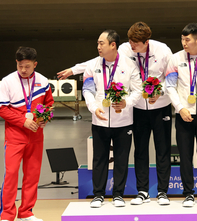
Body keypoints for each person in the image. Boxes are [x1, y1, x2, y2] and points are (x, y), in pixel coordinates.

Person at [58, 22, 173, 205]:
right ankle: (142, 191)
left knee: (163, 149)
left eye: (135, 43)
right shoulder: (126, 49)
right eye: (129, 41)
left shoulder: (163, 50)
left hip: (160, 106)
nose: (131, 46)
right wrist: (73, 70)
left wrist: (162, 92)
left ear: (146, 41)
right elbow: (97, 61)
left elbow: (173, 75)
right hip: (137, 109)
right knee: (140, 151)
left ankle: (162, 192)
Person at [0, 46, 54, 221]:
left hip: (36, 136)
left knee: (32, 176)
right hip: (14, 137)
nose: (23, 70)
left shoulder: (43, 82)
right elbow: (1, 108)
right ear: (16, 63)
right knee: (11, 175)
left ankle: (26, 213)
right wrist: (23, 122)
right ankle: (7, 215)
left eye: (27, 66)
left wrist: (45, 119)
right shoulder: (7, 81)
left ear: (35, 64)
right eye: (20, 65)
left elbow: (49, 105)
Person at [82, 30, 142, 208]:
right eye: (98, 43)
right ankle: (98, 194)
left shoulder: (129, 65)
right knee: (99, 158)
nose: (98, 46)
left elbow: (138, 90)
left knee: (121, 159)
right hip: (99, 120)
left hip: (123, 121)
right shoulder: (92, 65)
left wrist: (127, 103)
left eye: (101, 43)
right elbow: (87, 89)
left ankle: (118, 194)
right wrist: (94, 107)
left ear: (113, 45)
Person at [165, 23, 197, 207]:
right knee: (185, 155)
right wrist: (180, 108)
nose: (184, 43)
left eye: (187, 39)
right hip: (184, 115)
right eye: (182, 39)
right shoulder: (175, 58)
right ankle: (188, 193)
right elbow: (170, 86)